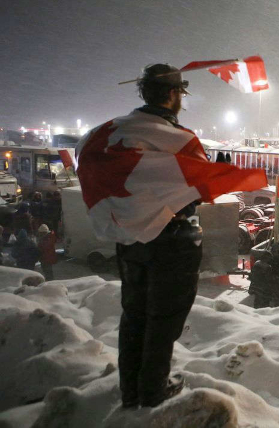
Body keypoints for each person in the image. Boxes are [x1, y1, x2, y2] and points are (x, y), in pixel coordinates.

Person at [80, 64, 203, 409]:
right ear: (173, 95)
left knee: (134, 313)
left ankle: (130, 390)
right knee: (164, 318)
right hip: (173, 242)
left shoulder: (111, 132)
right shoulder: (179, 139)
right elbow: (197, 190)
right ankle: (152, 390)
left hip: (131, 240)